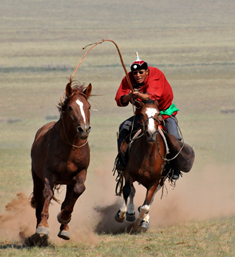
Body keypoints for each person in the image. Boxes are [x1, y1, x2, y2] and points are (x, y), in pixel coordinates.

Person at [115, 53, 181, 180]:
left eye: (141, 72)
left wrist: (138, 94)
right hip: (143, 115)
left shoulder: (156, 75)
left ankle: (175, 168)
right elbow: (119, 100)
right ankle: (122, 162)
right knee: (123, 127)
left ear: (147, 71)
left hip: (163, 112)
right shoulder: (128, 79)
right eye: (135, 73)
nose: (137, 76)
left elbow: (152, 97)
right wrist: (129, 96)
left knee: (174, 137)